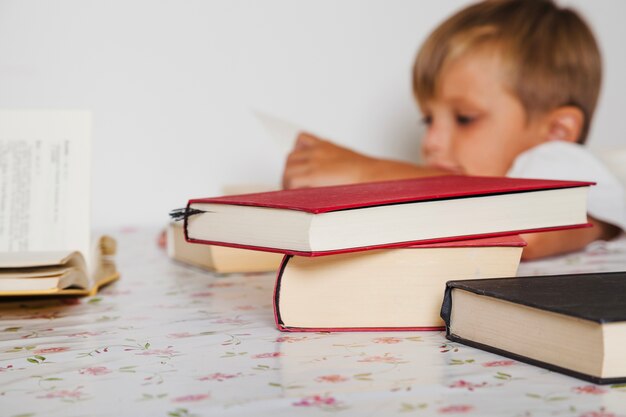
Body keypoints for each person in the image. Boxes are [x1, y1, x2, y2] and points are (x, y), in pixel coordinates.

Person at [282, 0, 626, 260]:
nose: (432, 142)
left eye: (464, 118)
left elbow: (527, 228)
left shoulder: (560, 160)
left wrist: (365, 172)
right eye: (427, 119)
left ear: (556, 130)